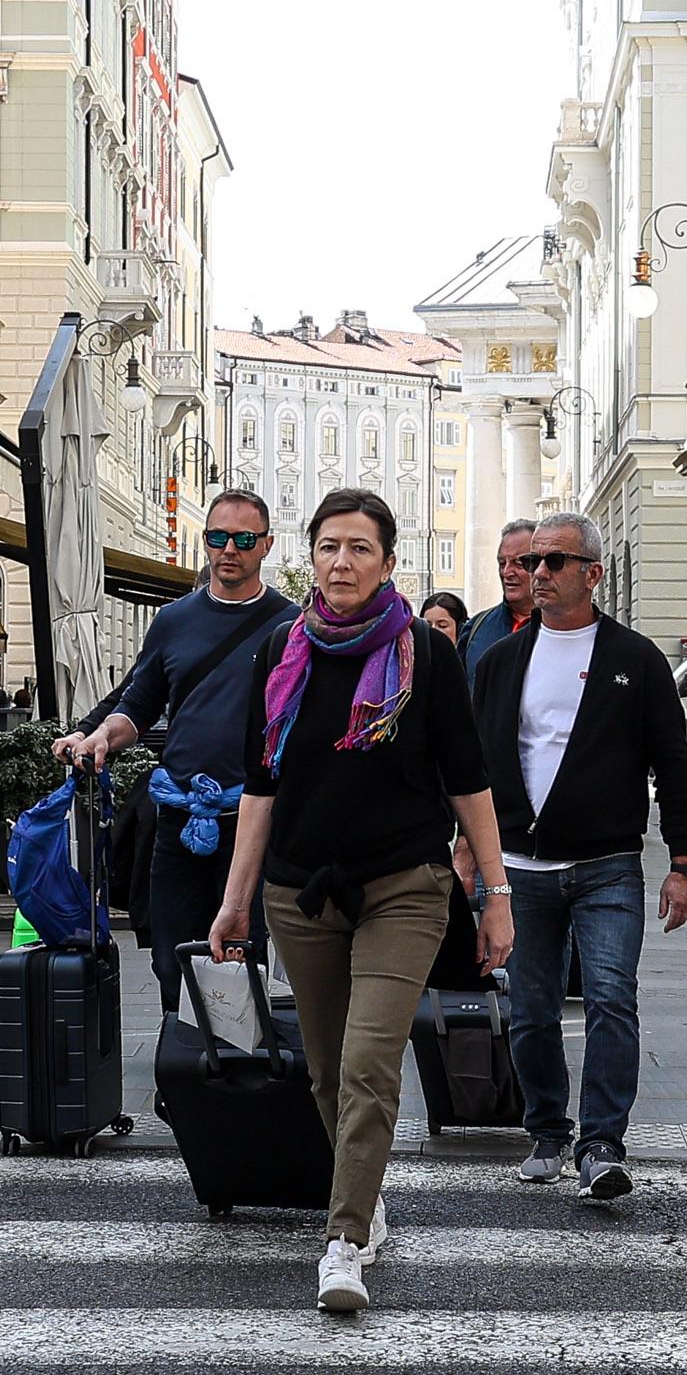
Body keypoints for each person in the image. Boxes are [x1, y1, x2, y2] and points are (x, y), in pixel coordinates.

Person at [210, 488, 511, 1315]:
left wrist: (496, 894)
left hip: (405, 887)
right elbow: (261, 785)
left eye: (360, 549)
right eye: (329, 546)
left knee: (370, 1062)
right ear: (311, 556)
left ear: (388, 562)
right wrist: (235, 901)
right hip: (298, 891)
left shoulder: (424, 652)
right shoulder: (281, 649)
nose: (342, 562)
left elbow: (469, 781)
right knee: (325, 1070)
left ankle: (342, 1242)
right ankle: (365, 1189)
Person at [469, 511, 687, 1202]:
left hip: (607, 866)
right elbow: (475, 767)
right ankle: (547, 1129)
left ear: (592, 574)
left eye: (555, 562)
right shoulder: (502, 660)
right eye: (533, 561)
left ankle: (601, 1143)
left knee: (609, 998)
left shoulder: (635, 660)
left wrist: (684, 863)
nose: (538, 573)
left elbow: (673, 767)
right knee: (534, 1009)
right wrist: (467, 852)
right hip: (520, 874)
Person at [54, 490, 299, 1012]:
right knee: (173, 955)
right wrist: (101, 736)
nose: (228, 549)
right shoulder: (172, 620)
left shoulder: (291, 625)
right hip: (177, 815)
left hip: (252, 819)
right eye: (217, 537)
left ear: (266, 546)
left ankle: (238, 1071)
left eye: (243, 539)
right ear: (203, 542)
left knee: (242, 953)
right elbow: (138, 704)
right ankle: (182, 1074)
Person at [458, 520, 541, 680]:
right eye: (502, 563)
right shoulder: (476, 628)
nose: (507, 572)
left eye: (518, 563)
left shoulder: (562, 629)